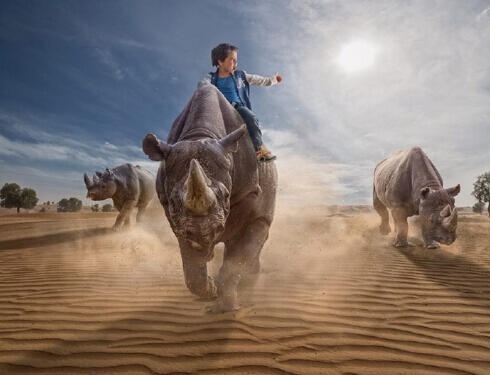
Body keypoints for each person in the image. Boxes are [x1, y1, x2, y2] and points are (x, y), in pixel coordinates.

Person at [199, 43, 282, 162]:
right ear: (220, 62)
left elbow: (260, 80)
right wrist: (205, 88)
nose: (236, 63)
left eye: (236, 60)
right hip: (219, 110)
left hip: (237, 108)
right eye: (232, 60)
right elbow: (203, 85)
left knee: (252, 118)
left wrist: (273, 80)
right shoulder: (211, 78)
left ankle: (259, 149)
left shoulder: (241, 76)